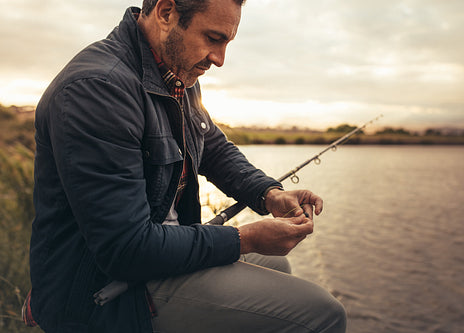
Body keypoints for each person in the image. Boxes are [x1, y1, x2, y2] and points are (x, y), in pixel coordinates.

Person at [25, 0, 347, 332]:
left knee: (276, 262)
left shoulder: (176, 71)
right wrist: (244, 238)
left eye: (226, 43)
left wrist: (268, 194)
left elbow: (213, 147)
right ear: (166, 13)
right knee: (324, 313)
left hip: (153, 257)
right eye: (213, 38)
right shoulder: (98, 90)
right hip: (103, 291)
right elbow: (126, 249)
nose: (219, 59)